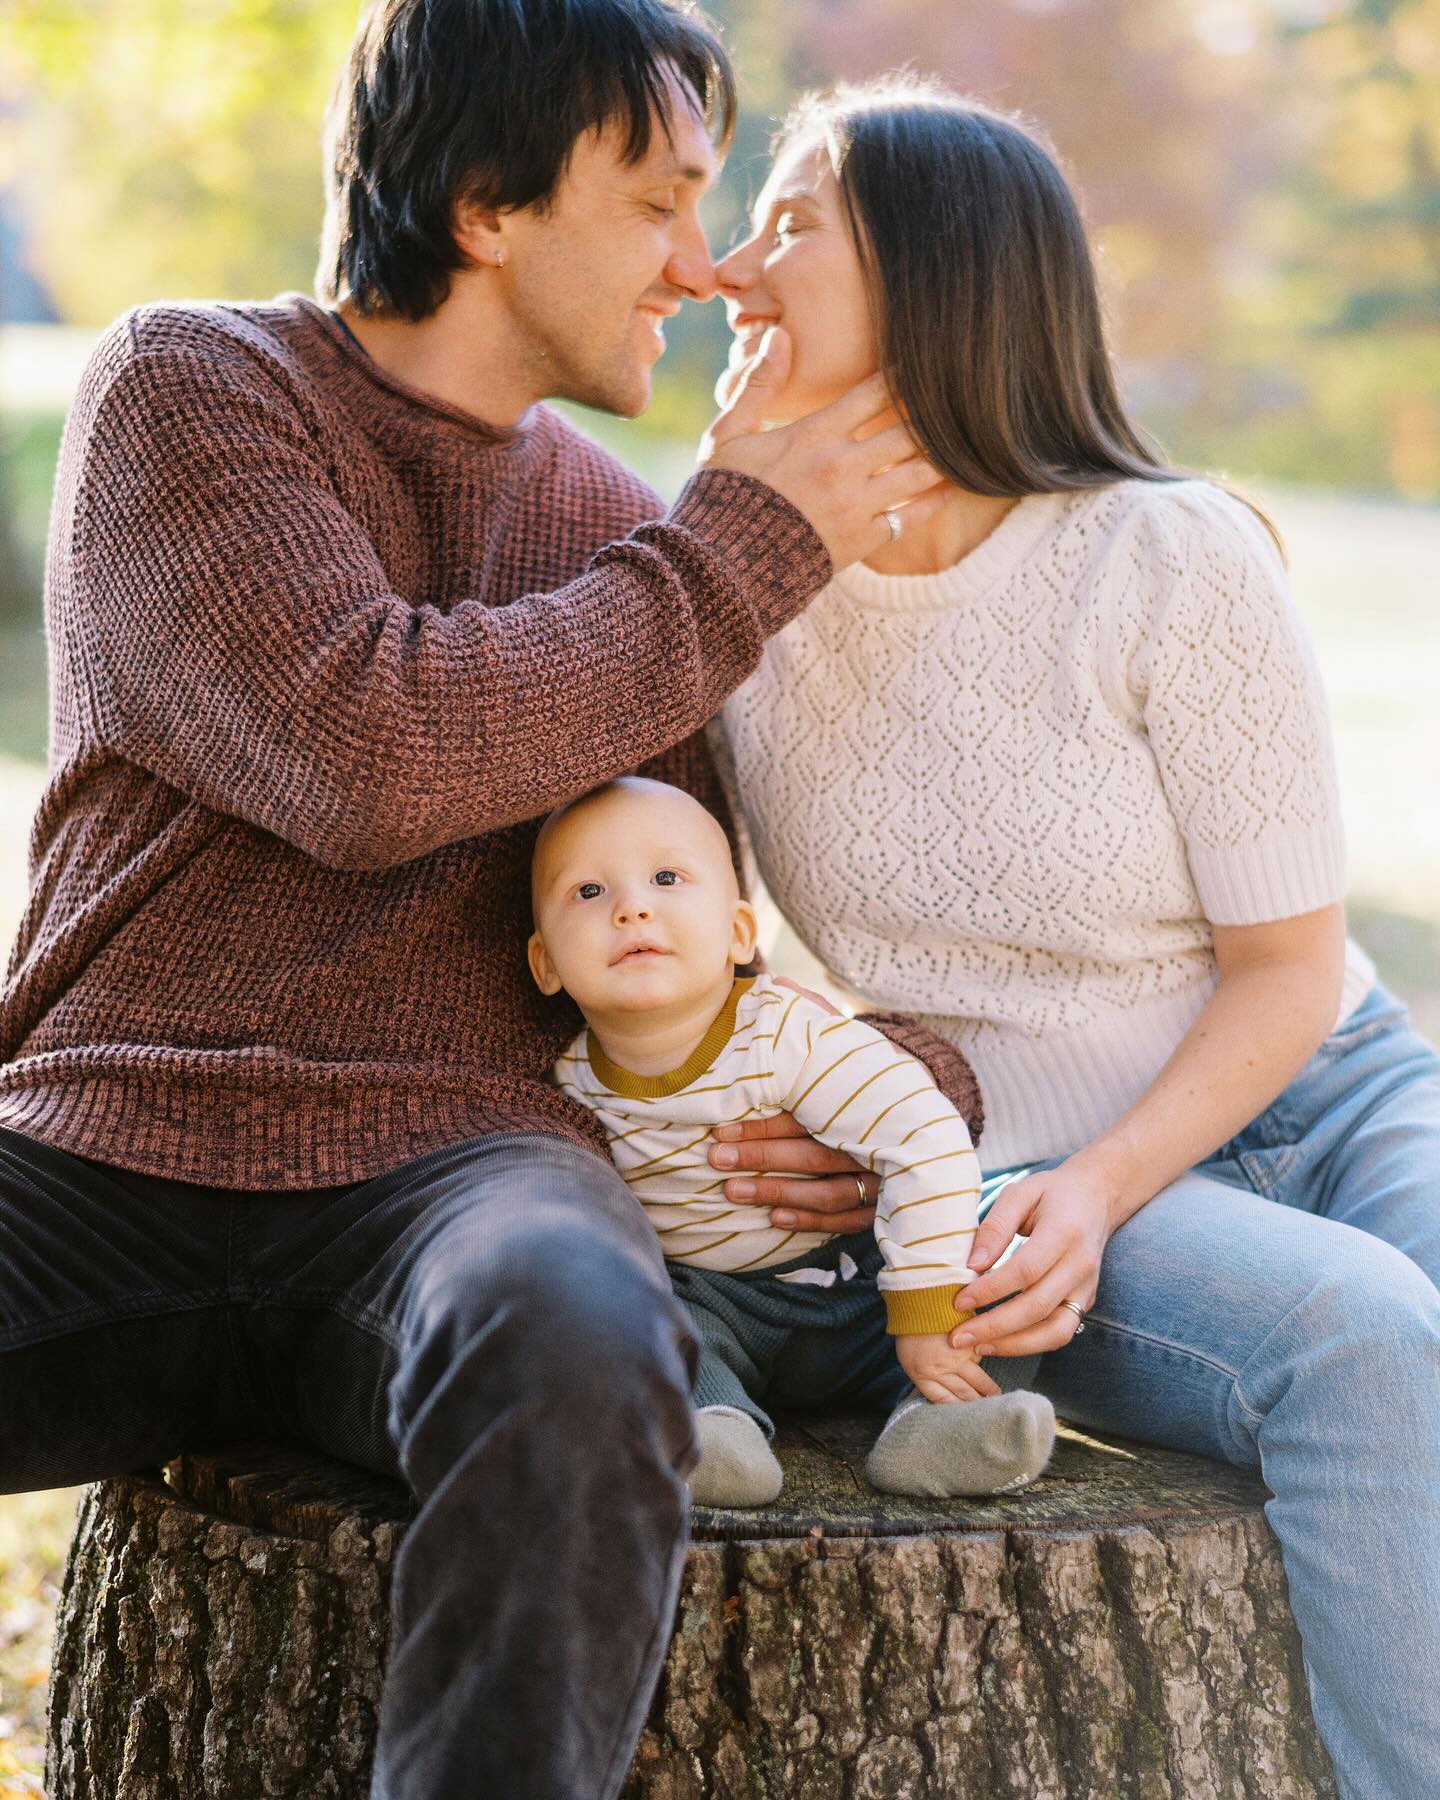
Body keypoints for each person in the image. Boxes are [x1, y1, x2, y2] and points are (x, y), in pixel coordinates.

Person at [0, 7, 970, 1797]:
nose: (703, 263)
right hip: (112, 1143)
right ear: (484, 203)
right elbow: (360, 747)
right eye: (664, 199)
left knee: (594, 1349)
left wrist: (892, 1100)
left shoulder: (631, 535)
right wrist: (735, 548)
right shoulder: (195, 389)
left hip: (461, 1177)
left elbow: (730, 923)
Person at [705, 73, 1440, 1800]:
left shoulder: (1165, 556)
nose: (733, 270)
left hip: (1319, 1088)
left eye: (791, 221)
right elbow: (666, 937)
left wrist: (1109, 1186)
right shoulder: (726, 603)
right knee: (1367, 1344)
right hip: (1013, 1183)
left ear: (937, 275)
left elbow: (1279, 968)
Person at [526, 774, 1057, 1504]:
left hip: (859, 1288)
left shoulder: (785, 1032)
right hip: (714, 1307)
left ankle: (937, 1426)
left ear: (740, 934)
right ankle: (708, 1432)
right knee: (643, 1319)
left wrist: (926, 1313)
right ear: (546, 962)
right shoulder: (564, 1085)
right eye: (589, 892)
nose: (632, 907)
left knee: (1003, 1276)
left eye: (667, 878)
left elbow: (924, 1134)